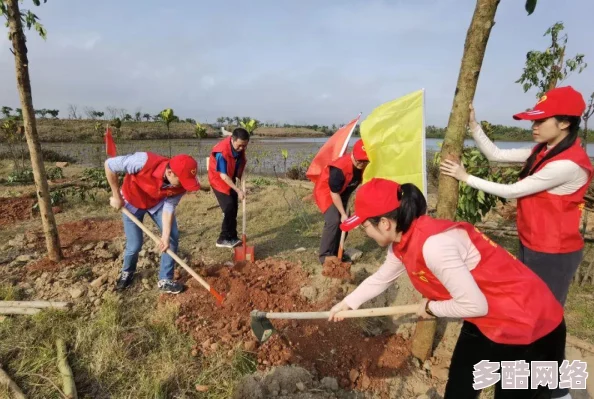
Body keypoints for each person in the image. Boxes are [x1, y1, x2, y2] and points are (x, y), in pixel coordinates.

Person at [328, 178, 566, 399]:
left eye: (364, 226)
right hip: (485, 320)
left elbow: (474, 304)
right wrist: (346, 304)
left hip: (529, 324)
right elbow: (381, 278)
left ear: (384, 223)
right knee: (459, 390)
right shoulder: (401, 242)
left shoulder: (435, 246)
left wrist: (430, 308)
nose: (364, 233)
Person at [440, 86, 591, 307]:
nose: (534, 127)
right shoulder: (543, 150)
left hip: (553, 250)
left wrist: (465, 177)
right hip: (532, 241)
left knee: (545, 308)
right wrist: (473, 124)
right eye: (534, 121)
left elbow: (513, 191)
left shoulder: (567, 164)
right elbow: (496, 154)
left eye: (541, 121)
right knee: (526, 300)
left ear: (565, 123)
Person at [105, 151, 200, 294]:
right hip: (132, 201)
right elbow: (109, 165)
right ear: (169, 172)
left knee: (172, 236)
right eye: (182, 181)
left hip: (156, 203)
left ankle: (165, 279)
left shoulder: (181, 185)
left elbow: (169, 207)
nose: (185, 185)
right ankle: (127, 272)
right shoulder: (142, 161)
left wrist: (165, 236)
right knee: (135, 244)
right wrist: (116, 196)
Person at [313, 139, 369, 264]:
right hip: (327, 192)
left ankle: (337, 252)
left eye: (365, 161)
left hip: (344, 192)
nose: (362, 163)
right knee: (334, 220)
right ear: (353, 154)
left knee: (345, 223)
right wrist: (343, 213)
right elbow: (334, 193)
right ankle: (325, 256)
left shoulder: (366, 167)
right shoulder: (339, 168)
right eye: (359, 160)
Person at [208, 127, 249, 248]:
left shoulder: (238, 145)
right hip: (219, 180)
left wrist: (241, 182)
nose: (242, 148)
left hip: (229, 177)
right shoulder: (222, 152)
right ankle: (223, 238)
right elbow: (223, 175)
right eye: (240, 145)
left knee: (234, 207)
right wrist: (238, 190)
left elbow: (239, 162)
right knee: (229, 207)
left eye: (245, 146)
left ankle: (232, 236)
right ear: (232, 140)